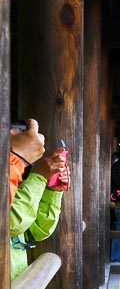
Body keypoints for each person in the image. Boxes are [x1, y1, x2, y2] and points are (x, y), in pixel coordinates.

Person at [8, 119, 68, 280]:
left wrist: (51, 190)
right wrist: (39, 177)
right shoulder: (12, 167)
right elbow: (10, 223)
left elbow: (37, 231)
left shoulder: (12, 171)